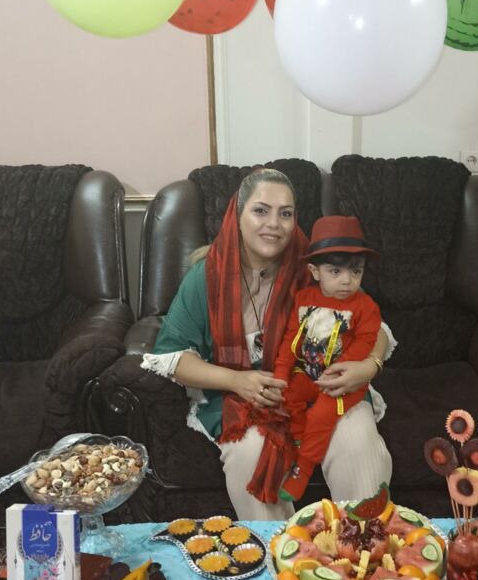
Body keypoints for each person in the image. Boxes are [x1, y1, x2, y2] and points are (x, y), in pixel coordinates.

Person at [141, 168, 394, 521]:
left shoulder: (316, 267)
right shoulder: (207, 276)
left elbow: (372, 326)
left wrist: (369, 367)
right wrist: (236, 380)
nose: (274, 224)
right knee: (250, 453)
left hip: (322, 387)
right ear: (238, 215)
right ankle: (282, 550)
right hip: (244, 399)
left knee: (357, 440)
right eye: (261, 210)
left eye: (285, 213)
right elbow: (173, 357)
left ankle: (364, 544)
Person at [274, 216, 386, 502]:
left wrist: (339, 371)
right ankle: (298, 439)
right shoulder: (303, 299)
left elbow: (366, 341)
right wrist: (281, 374)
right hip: (307, 372)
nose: (347, 280)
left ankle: (303, 468)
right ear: (315, 271)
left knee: (321, 415)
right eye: (335, 271)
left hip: (343, 381)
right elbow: (290, 338)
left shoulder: (365, 306)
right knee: (287, 396)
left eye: (356, 272)